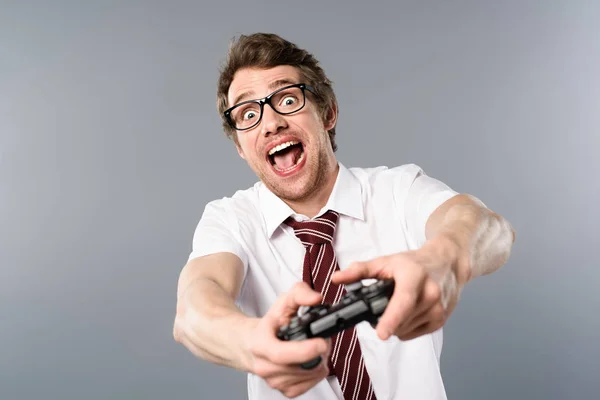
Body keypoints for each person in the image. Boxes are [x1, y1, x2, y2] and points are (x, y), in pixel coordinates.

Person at [172, 32, 516, 400]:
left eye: (288, 98)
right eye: (248, 113)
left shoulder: (397, 191)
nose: (271, 123)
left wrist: (445, 258)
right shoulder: (230, 220)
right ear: (241, 146)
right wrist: (249, 343)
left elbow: (487, 226)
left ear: (328, 112)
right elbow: (195, 307)